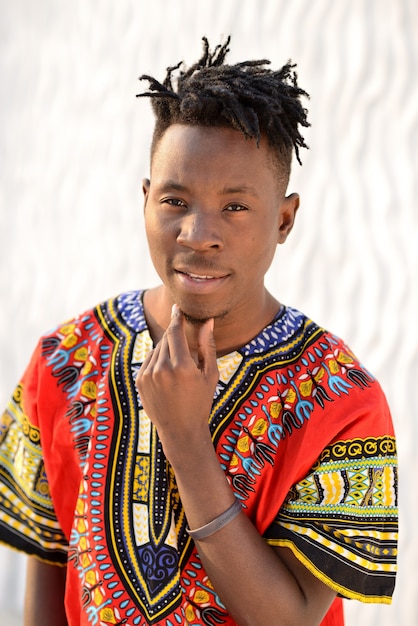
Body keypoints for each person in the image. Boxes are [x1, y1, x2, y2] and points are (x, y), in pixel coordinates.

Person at [0, 37, 397, 626]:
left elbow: (288, 620)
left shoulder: (339, 401)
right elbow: (49, 578)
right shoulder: (65, 359)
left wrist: (186, 440)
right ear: (144, 201)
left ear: (284, 219)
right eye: (175, 200)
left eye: (235, 207)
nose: (196, 234)